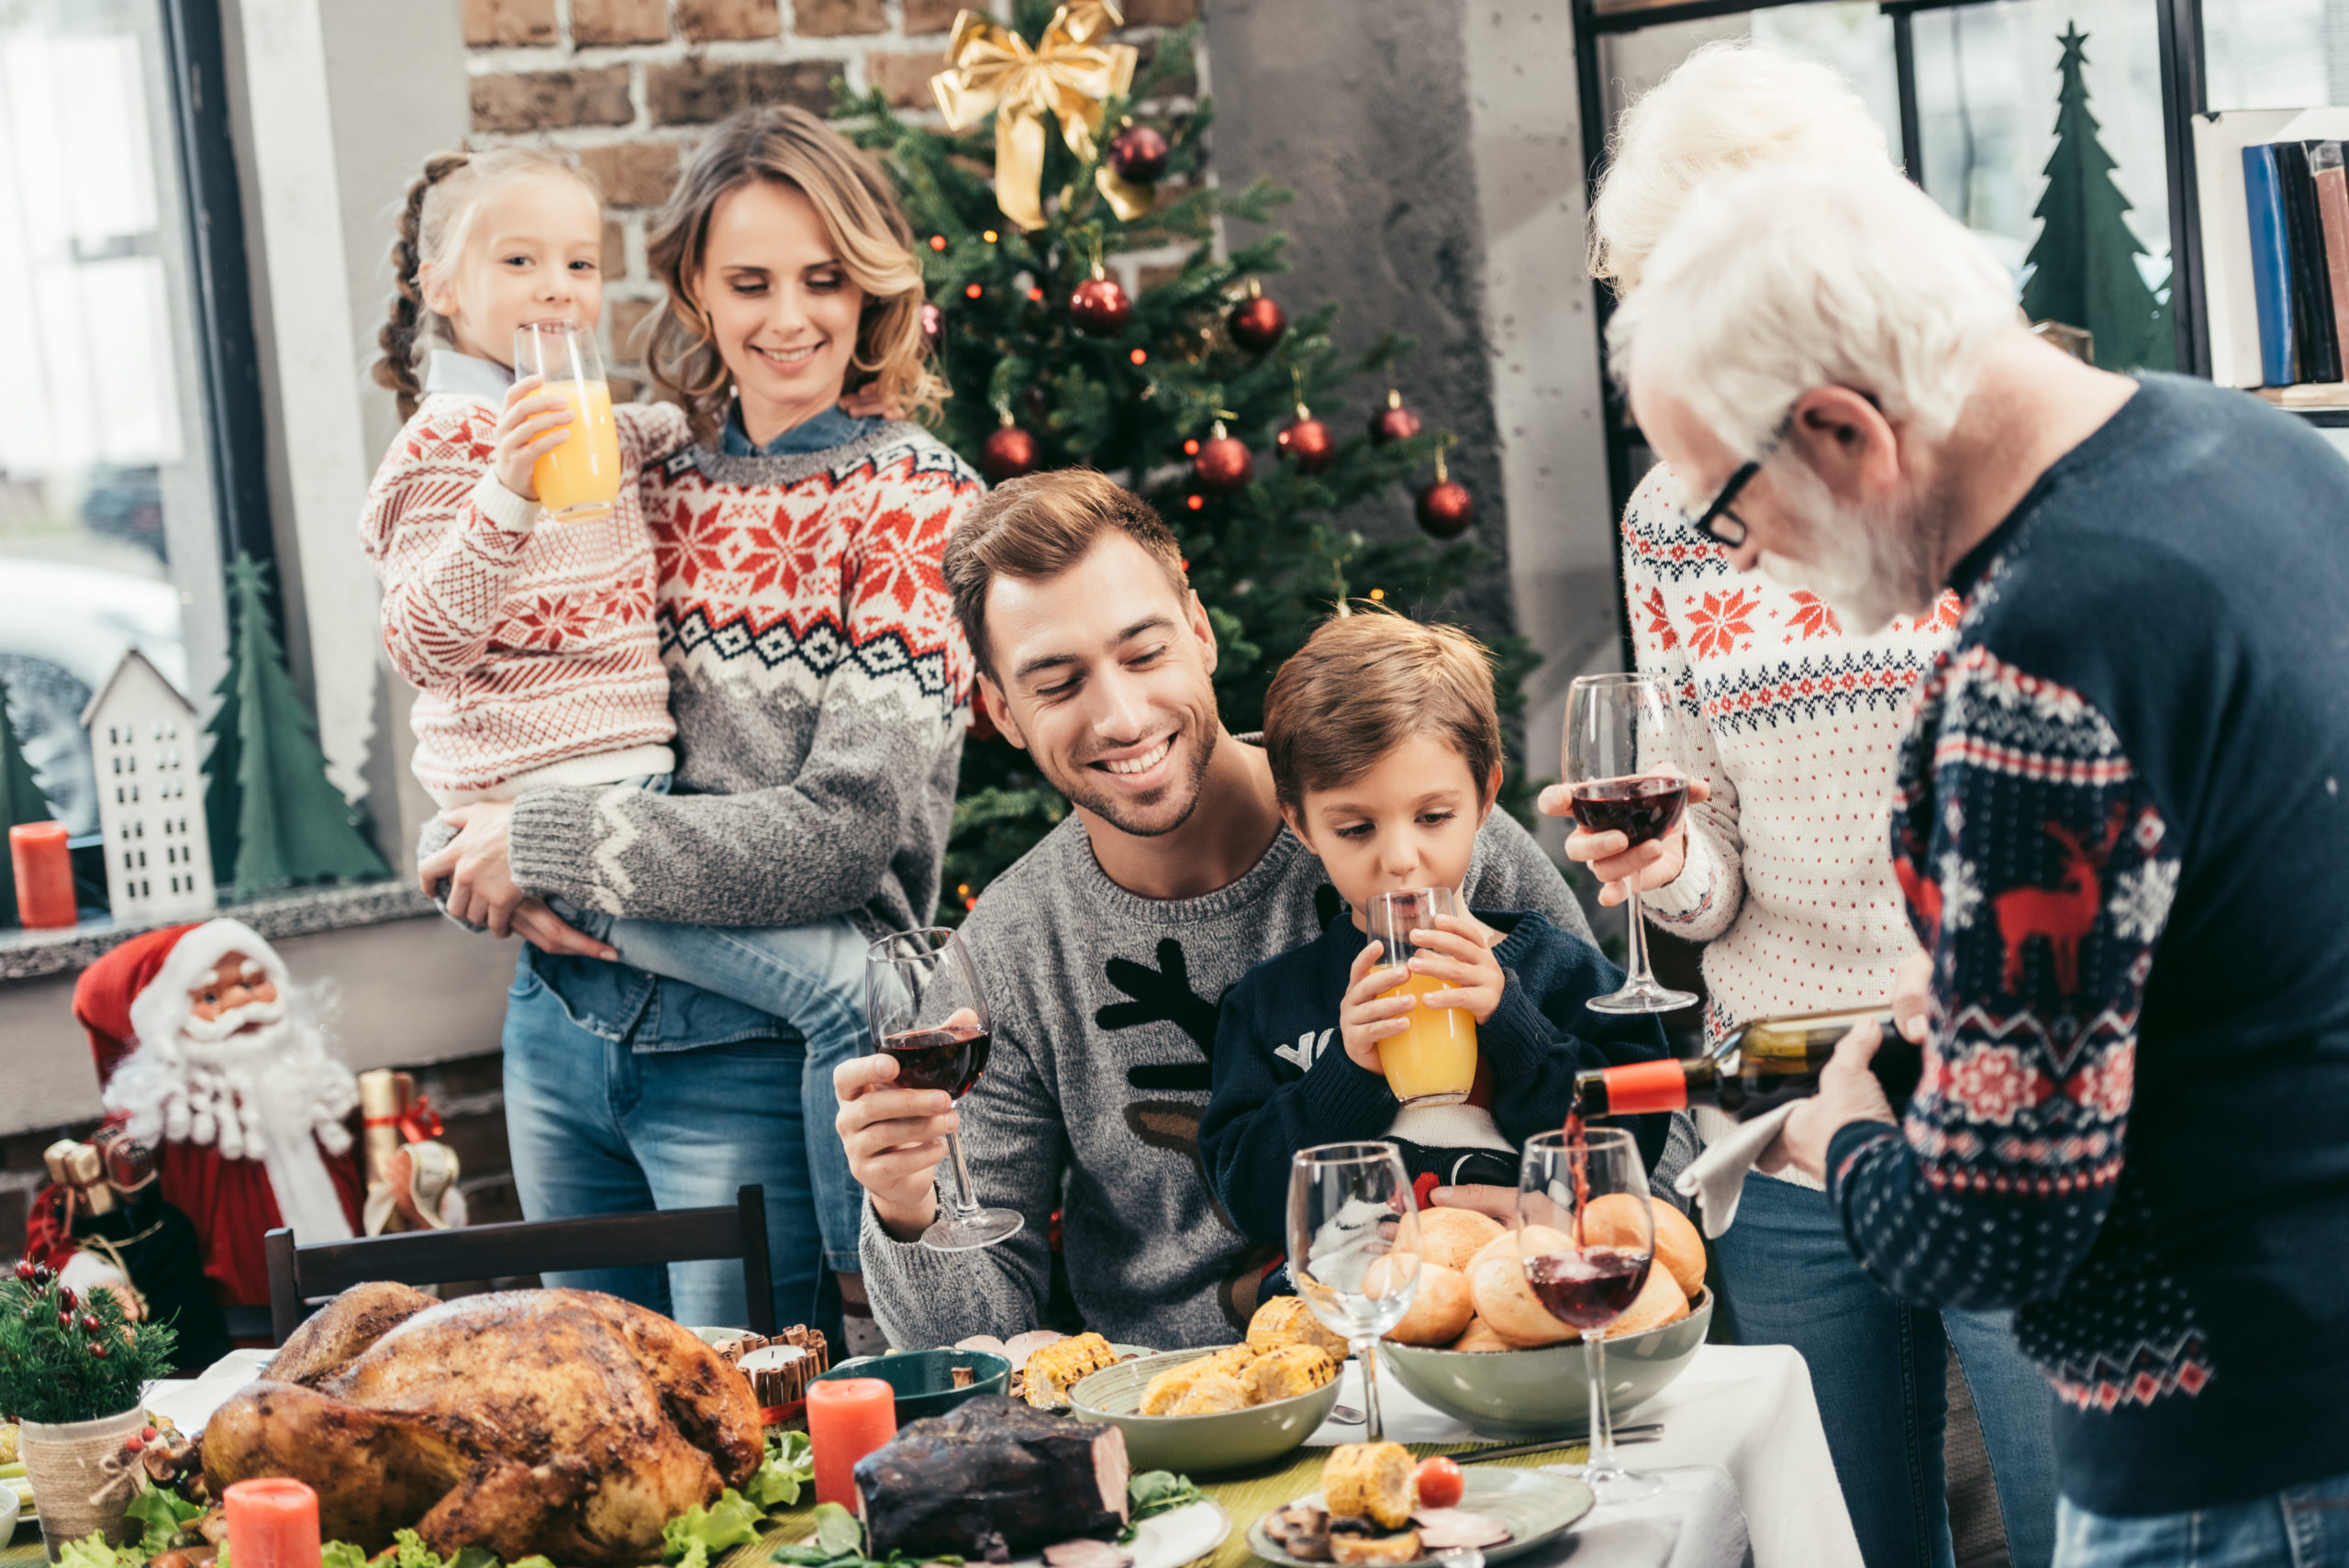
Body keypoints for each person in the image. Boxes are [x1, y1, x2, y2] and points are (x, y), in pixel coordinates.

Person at [1610, 161, 2349, 1568]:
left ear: (1838, 429)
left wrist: (1841, 1135)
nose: (1742, 559)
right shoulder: (2259, 454)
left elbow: (1996, 1233)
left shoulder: (2037, 662)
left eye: (1729, 509)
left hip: (2227, 1448)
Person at [1557, 44, 2057, 1568]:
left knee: (2075, 1532)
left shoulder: (1981, 466)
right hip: (1778, 1116)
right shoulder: (1674, 514)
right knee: (1840, 1539)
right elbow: (1715, 883)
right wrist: (1660, 860)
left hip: (1998, 1091)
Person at [417, 106, 978, 1342]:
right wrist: (466, 834)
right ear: (693, 289)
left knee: (757, 1434)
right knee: (595, 1438)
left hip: (750, 1050)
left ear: (873, 286)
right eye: (751, 281)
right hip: (559, 1026)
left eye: (826, 279)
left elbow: (842, 836)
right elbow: (500, 680)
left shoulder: (918, 499)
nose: (792, 317)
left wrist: (547, 840)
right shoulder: (631, 475)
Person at [834, 471, 1603, 1350]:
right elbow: (973, 1336)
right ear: (1001, 713)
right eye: (1057, 682)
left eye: (1144, 652)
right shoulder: (1012, 948)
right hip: (1180, 1412)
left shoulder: (1413, 825)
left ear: (1198, 632)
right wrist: (904, 1208)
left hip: (1467, 1352)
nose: (1120, 716)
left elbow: (1651, 1120)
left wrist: (1555, 1215)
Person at [1198, 608, 1671, 1245]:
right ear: (1302, 824)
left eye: (1433, 815)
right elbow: (1251, 1204)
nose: (1399, 858)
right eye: (1356, 827)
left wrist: (1515, 1027)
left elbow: (1635, 1149)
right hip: (1353, 1326)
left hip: (1529, 1305)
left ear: (1484, 797)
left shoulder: (1564, 975)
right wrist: (1348, 1073)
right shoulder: (1268, 1005)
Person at [24, 919, 363, 1354]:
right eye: (210, 996)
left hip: (362, 1331)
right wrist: (95, 1277)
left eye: (253, 982)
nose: (242, 1001)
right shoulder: (152, 1127)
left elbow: (377, 1193)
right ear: (164, 1027)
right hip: (236, 1356)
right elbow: (56, 1226)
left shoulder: (323, 1100)